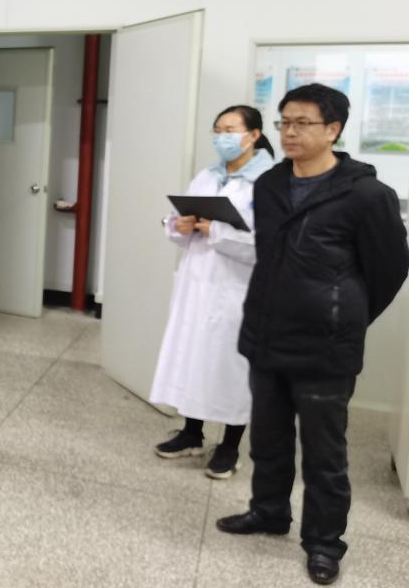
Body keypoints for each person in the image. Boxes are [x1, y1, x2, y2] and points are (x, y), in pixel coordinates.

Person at [217, 84, 408, 586]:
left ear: (333, 130)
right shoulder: (270, 184)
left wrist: (343, 315)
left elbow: (390, 269)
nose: (290, 132)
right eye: (284, 122)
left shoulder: (366, 195)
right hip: (266, 335)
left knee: (325, 455)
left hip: (325, 348)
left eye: (302, 123)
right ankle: (269, 511)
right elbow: (268, 256)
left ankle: (324, 543)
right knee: (269, 438)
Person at [150, 105, 275, 480]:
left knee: (231, 366)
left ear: (253, 135)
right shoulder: (207, 176)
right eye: (217, 129)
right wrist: (180, 225)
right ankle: (192, 433)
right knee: (194, 357)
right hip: (197, 284)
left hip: (238, 288)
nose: (222, 137)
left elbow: (269, 244)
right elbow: (179, 223)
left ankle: (230, 446)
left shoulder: (269, 182)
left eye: (230, 129)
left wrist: (216, 231)